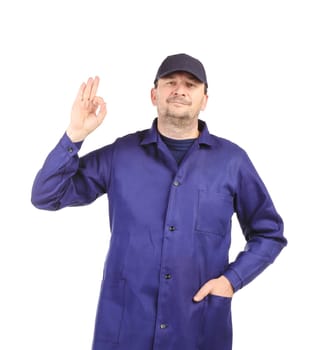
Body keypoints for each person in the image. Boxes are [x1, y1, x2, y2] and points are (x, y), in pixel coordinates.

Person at [31, 53, 287, 350]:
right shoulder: (121, 155)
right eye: (170, 82)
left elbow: (269, 233)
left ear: (204, 99)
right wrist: (75, 134)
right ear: (154, 94)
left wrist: (232, 280)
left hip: (198, 328)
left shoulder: (232, 161)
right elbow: (46, 195)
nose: (179, 89)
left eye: (191, 84)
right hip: (125, 328)